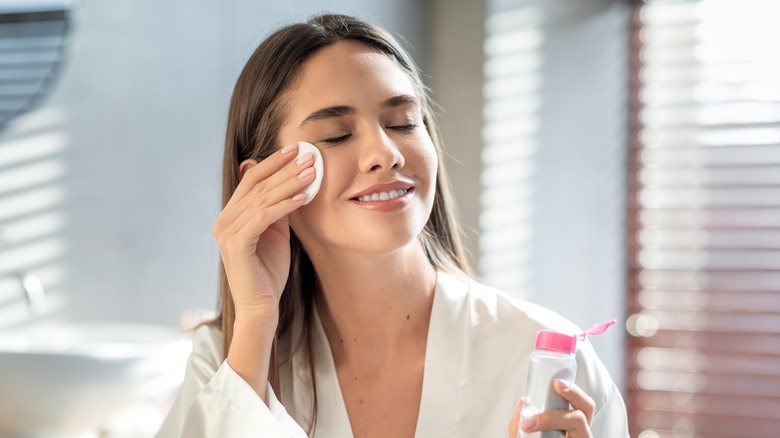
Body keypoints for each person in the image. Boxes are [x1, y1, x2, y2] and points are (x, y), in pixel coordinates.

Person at [156, 13, 629, 438]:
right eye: (336, 135)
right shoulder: (225, 358)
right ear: (262, 182)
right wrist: (256, 320)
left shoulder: (544, 363)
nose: (386, 153)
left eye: (403, 123)